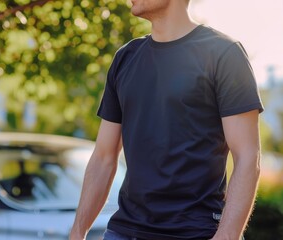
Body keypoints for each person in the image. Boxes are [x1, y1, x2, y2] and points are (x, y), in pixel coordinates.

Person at [70, 0, 264, 239]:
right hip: (125, 231)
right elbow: (103, 157)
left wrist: (227, 235)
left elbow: (247, 156)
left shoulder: (224, 53)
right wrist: (77, 233)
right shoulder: (125, 58)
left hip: (195, 232)